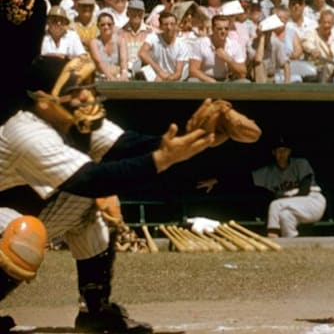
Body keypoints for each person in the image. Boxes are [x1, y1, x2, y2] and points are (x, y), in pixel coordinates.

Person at [0, 55, 217, 332]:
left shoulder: (74, 122)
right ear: (43, 100)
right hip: (7, 216)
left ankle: (95, 310)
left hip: (22, 210)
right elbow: (92, 179)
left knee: (89, 206)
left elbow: (126, 146)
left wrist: (194, 136)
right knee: (26, 231)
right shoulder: (26, 131)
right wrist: (163, 158)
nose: (85, 95)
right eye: (73, 91)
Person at [251, 137, 326, 238]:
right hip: (292, 209)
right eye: (279, 151)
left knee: (275, 205)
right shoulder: (269, 171)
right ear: (274, 153)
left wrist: (285, 197)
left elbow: (304, 191)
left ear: (289, 152)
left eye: (285, 150)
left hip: (313, 202)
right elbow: (245, 180)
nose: (282, 153)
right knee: (285, 216)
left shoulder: (300, 163)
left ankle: (272, 235)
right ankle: (291, 244)